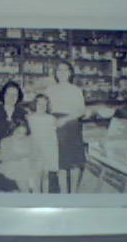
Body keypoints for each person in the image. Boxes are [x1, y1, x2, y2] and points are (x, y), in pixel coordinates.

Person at [45, 60, 86, 193]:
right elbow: (45, 109)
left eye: (65, 70)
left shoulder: (75, 90)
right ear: (55, 73)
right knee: (60, 162)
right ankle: (63, 193)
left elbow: (81, 111)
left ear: (70, 73)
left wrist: (65, 120)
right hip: (55, 126)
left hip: (71, 126)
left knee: (74, 162)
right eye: (59, 70)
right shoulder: (50, 90)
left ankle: (73, 193)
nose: (62, 73)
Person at [27, 94, 59, 193]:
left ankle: (45, 197)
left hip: (48, 150)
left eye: (44, 105)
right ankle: (36, 197)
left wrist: (53, 154)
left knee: (46, 176)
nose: (42, 107)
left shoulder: (51, 119)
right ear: (34, 105)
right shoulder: (30, 118)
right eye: (39, 104)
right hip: (35, 149)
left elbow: (53, 137)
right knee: (36, 176)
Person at [0, 120, 32, 192]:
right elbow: (5, 157)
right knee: (22, 177)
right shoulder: (6, 141)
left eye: (24, 133)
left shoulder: (28, 140)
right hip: (12, 168)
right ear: (13, 130)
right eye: (19, 132)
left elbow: (32, 153)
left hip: (26, 167)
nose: (21, 136)